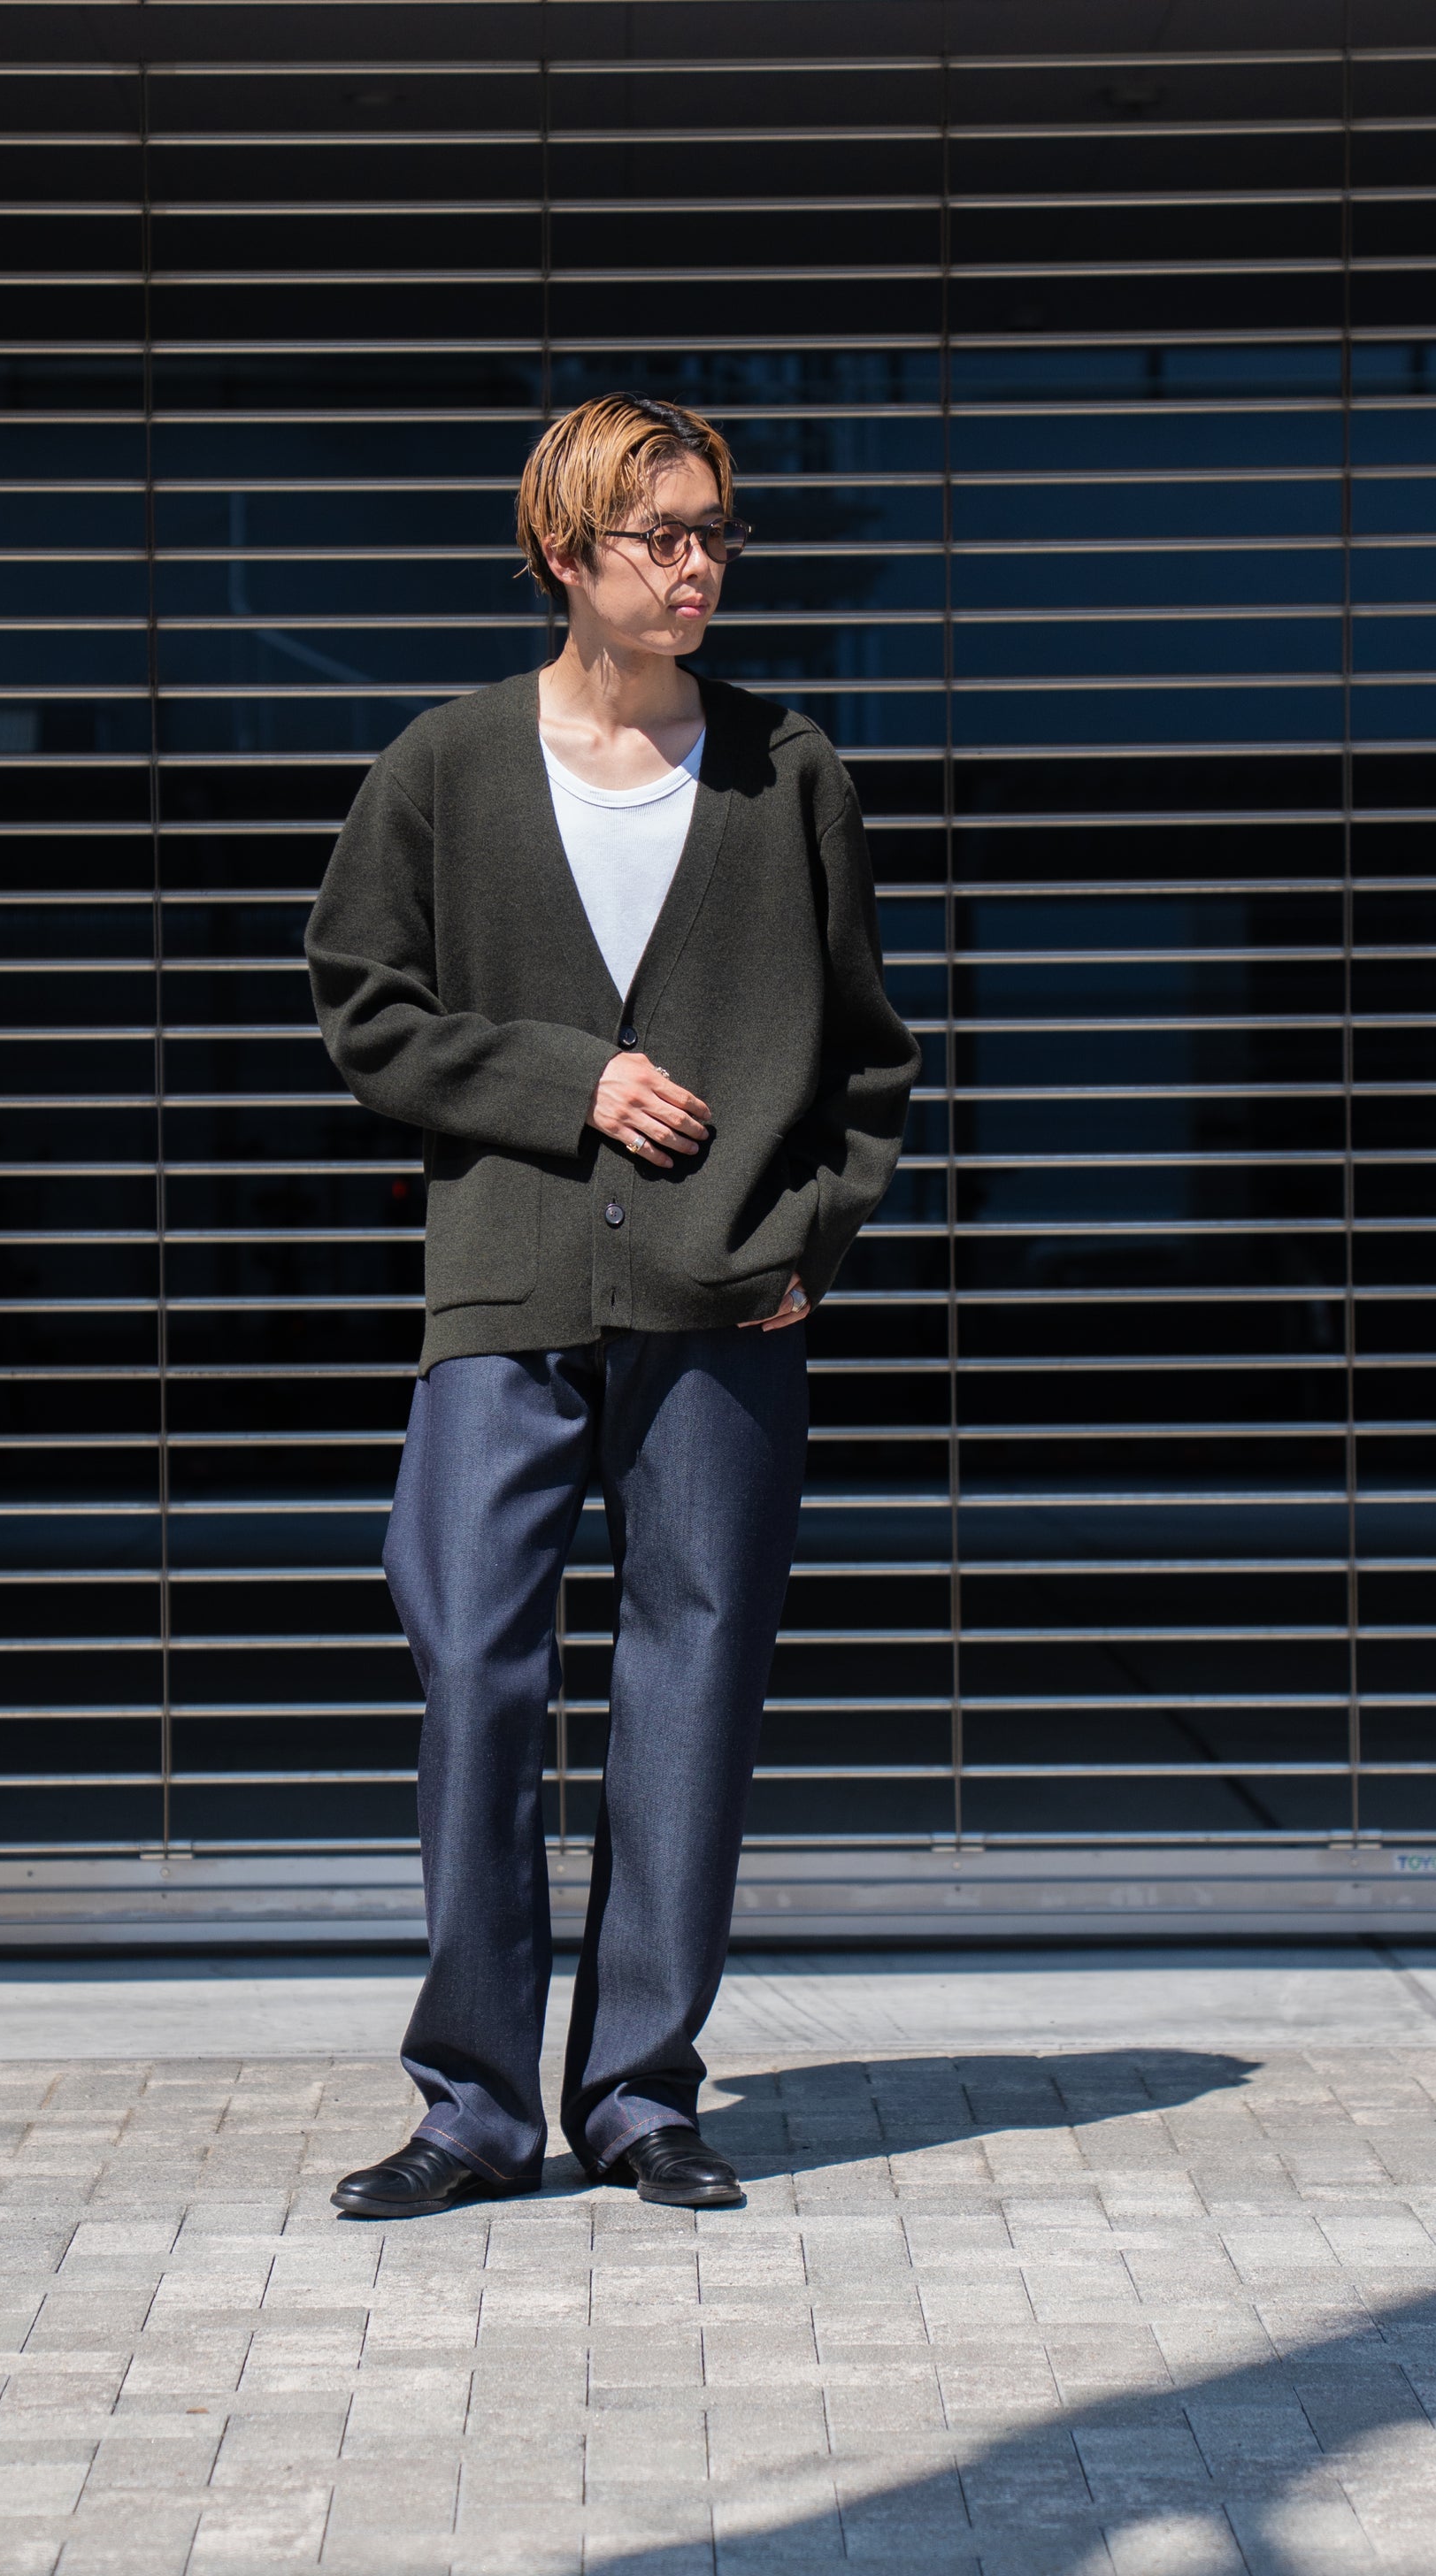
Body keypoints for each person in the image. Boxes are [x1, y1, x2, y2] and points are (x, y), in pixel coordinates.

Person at [305, 392, 918, 2217]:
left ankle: (643, 2093)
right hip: (504, 1288)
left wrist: (808, 1237)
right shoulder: (447, 764)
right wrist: (568, 1078)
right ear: (567, 552)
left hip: (722, 1304)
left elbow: (868, 1054)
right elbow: (364, 1004)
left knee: (690, 1690)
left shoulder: (785, 769)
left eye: (716, 531)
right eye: (664, 535)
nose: (699, 564)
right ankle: (475, 2108)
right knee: (476, 1673)